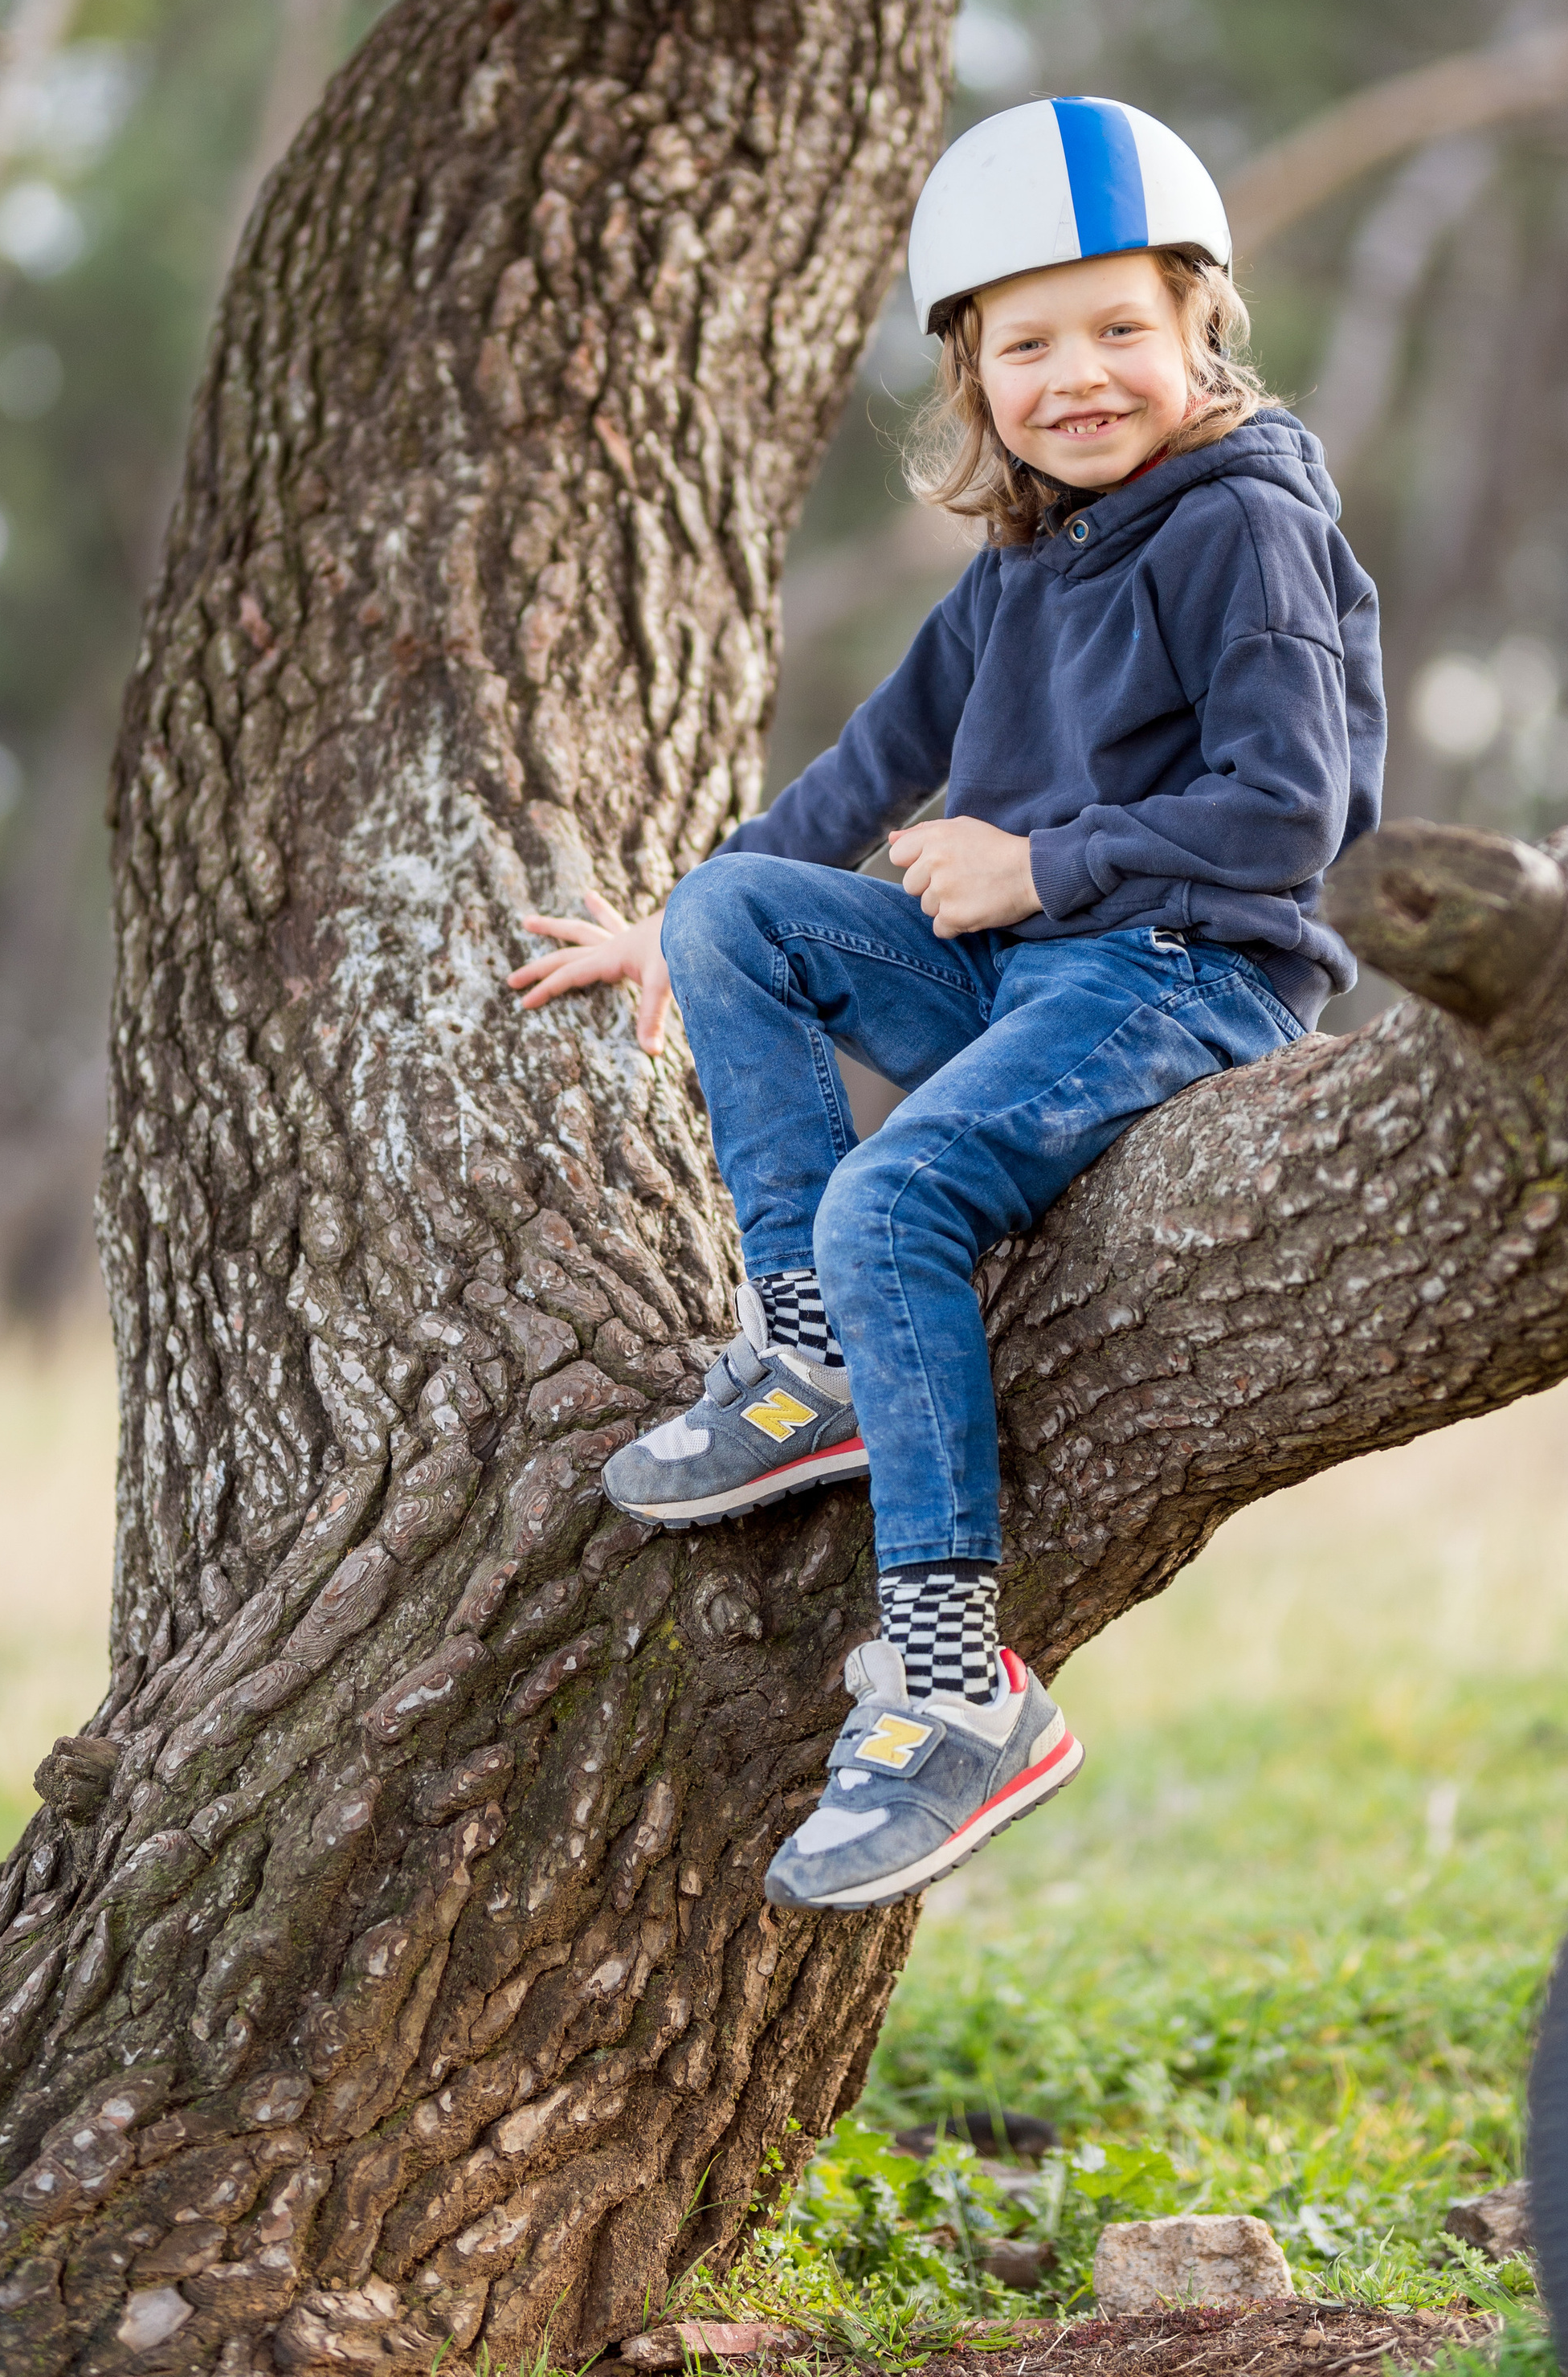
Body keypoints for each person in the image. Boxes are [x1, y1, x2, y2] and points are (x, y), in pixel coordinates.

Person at [508, 96, 1385, 1912]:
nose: (1078, 376)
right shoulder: (1028, 556)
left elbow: (1293, 810)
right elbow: (873, 763)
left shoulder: (1242, 530)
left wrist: (1037, 869)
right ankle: (816, 1353)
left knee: (894, 1191)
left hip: (1180, 972)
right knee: (746, 904)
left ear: (1199, 324)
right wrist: (677, 937)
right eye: (1028, 343)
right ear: (969, 371)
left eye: (1119, 329)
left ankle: (951, 1683)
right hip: (1029, 964)